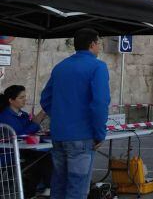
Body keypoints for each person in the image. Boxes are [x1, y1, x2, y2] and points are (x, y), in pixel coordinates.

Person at [40, 28, 110, 199]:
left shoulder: (60, 67)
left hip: (59, 134)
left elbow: (45, 99)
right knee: (77, 188)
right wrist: (100, 133)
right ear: (93, 44)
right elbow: (100, 103)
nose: (99, 47)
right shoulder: (98, 66)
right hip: (82, 135)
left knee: (59, 185)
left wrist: (61, 115)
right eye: (98, 43)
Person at [0, 85, 52, 197]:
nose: (25, 100)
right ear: (11, 100)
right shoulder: (5, 117)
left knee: (47, 154)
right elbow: (20, 134)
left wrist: (43, 111)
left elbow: (32, 125)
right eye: (21, 97)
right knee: (43, 158)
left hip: (23, 150)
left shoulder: (22, 114)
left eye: (25, 96)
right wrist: (34, 126)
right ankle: (45, 187)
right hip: (9, 153)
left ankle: (44, 188)